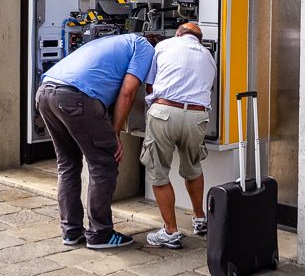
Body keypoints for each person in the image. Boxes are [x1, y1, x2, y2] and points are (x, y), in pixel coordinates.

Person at [35, 34, 154, 249]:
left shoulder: (112, 42)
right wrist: (114, 134)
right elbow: (128, 92)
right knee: (104, 163)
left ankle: (71, 232)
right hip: (76, 97)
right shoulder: (144, 46)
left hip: (45, 92)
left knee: (67, 165)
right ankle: (101, 234)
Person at [141, 23, 217, 249]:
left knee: (158, 172)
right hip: (197, 117)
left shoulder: (164, 46)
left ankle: (171, 232)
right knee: (193, 167)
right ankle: (199, 217)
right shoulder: (209, 57)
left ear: (178, 34)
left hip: (165, 111)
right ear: (199, 40)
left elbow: (149, 88)